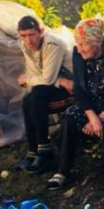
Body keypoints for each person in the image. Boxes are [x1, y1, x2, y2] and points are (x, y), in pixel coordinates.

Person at [46, 17, 104, 200]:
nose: (79, 49)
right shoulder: (78, 54)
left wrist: (102, 116)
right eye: (78, 44)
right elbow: (79, 90)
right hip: (92, 103)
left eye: (83, 44)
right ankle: (63, 170)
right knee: (70, 117)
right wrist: (92, 116)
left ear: (97, 41)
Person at [15, 15, 74, 174]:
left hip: (72, 88)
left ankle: (44, 150)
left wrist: (27, 79)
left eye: (32, 35)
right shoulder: (25, 45)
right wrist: (55, 81)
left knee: (37, 94)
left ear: (41, 31)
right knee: (29, 98)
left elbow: (45, 79)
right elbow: (39, 77)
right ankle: (33, 150)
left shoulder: (52, 44)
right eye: (24, 36)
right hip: (54, 85)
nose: (28, 40)